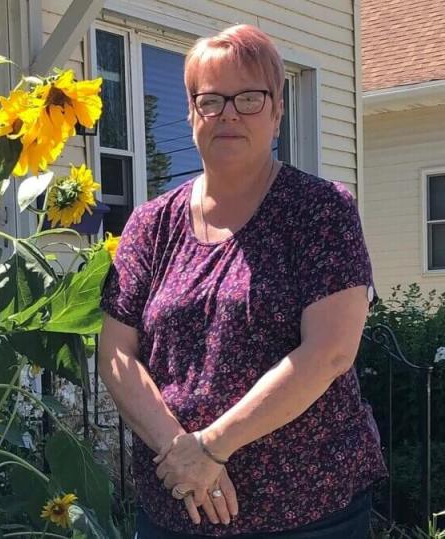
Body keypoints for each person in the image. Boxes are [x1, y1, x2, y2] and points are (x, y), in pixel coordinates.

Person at [98, 24, 387, 538]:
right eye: (211, 100)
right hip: (175, 510)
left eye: (249, 98)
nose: (229, 114)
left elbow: (330, 353)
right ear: (191, 114)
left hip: (308, 515)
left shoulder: (320, 211)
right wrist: (180, 453)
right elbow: (117, 354)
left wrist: (211, 448)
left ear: (277, 113)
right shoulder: (150, 224)